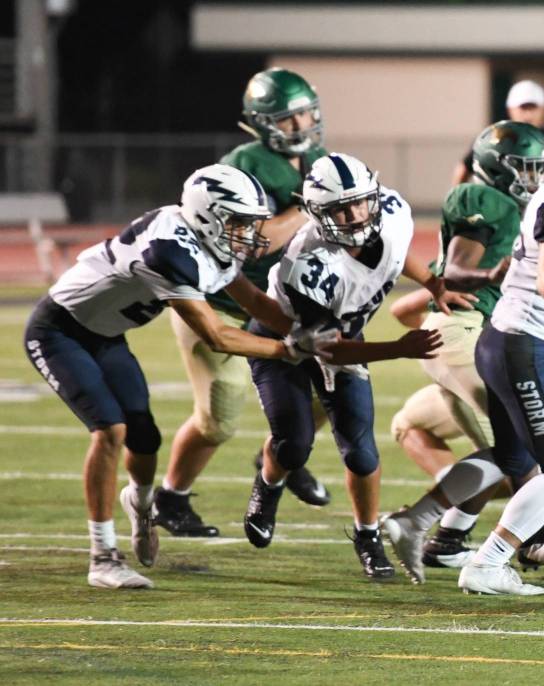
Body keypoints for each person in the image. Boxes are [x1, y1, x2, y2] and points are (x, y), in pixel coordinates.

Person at [23, 164, 331, 589]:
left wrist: (307, 330)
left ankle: (141, 504)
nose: (247, 232)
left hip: (106, 336)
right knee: (110, 431)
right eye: (239, 221)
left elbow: (255, 302)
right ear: (208, 216)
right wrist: (288, 349)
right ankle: (103, 556)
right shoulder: (170, 252)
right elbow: (218, 336)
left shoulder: (204, 239)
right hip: (58, 331)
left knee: (144, 437)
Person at [382, 106, 544, 595]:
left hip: (503, 338)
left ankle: (425, 524)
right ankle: (493, 559)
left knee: (512, 456)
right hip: (522, 343)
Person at [242, 152, 473, 579]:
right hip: (286, 342)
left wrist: (433, 284)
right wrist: (398, 349)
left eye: (360, 203)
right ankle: (268, 486)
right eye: (340, 210)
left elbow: (395, 254)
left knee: (362, 453)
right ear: (317, 214)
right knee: (294, 444)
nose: (354, 216)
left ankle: (367, 536)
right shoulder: (308, 263)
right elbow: (329, 350)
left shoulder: (392, 212)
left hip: (342, 336)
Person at [156, 68, 331, 539]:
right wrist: (308, 208)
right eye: (290, 117)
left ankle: (280, 454)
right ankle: (170, 497)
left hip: (278, 302)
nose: (302, 124)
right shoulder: (243, 163)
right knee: (219, 416)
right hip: (218, 300)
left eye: (306, 113)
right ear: (263, 122)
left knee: (332, 385)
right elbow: (255, 243)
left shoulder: (317, 158)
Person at [450, 80, 544, 186]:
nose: (528, 114)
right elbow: (464, 168)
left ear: (543, 109)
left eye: (533, 108)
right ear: (510, 109)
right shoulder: (494, 138)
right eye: (523, 108)